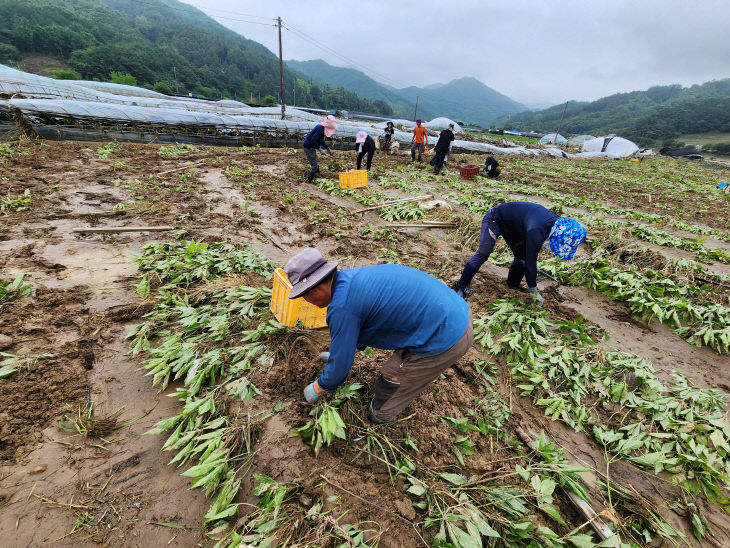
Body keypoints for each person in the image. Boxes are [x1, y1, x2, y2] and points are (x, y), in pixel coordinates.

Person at [284, 248, 472, 424]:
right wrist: (337, 354)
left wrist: (318, 387)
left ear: (315, 289)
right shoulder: (351, 279)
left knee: (390, 381)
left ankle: (380, 418)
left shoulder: (342, 307)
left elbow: (340, 369)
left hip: (448, 333)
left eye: (304, 295)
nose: (305, 300)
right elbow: (360, 327)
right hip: (455, 310)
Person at [453, 202, 587, 305]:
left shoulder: (557, 224)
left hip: (515, 228)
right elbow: (531, 263)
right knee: (484, 253)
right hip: (496, 219)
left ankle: (513, 284)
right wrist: (533, 291)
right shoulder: (537, 229)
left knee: (521, 256)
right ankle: (460, 287)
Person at [302, 115, 337, 184]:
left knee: (315, 162)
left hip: (311, 146)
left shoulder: (321, 128)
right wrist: (319, 149)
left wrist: (327, 148)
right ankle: (309, 181)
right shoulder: (320, 128)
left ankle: (317, 175)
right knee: (314, 165)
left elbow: (320, 140)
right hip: (308, 147)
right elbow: (313, 140)